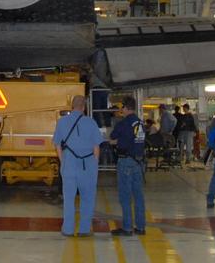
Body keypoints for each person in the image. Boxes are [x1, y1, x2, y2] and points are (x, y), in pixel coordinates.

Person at [53, 94, 104, 237]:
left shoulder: (62, 122)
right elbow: (96, 147)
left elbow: (57, 145)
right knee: (87, 198)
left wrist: (64, 161)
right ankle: (84, 230)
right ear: (84, 107)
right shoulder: (91, 123)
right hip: (87, 165)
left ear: (72, 106)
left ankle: (68, 229)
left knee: (68, 199)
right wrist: (94, 164)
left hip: (69, 163)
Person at [108, 95, 146, 237]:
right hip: (138, 162)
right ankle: (141, 227)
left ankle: (127, 227)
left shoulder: (123, 124)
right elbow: (135, 140)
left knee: (125, 195)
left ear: (125, 107)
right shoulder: (139, 123)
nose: (120, 110)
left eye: (121, 107)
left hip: (125, 161)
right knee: (138, 196)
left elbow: (112, 138)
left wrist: (116, 141)